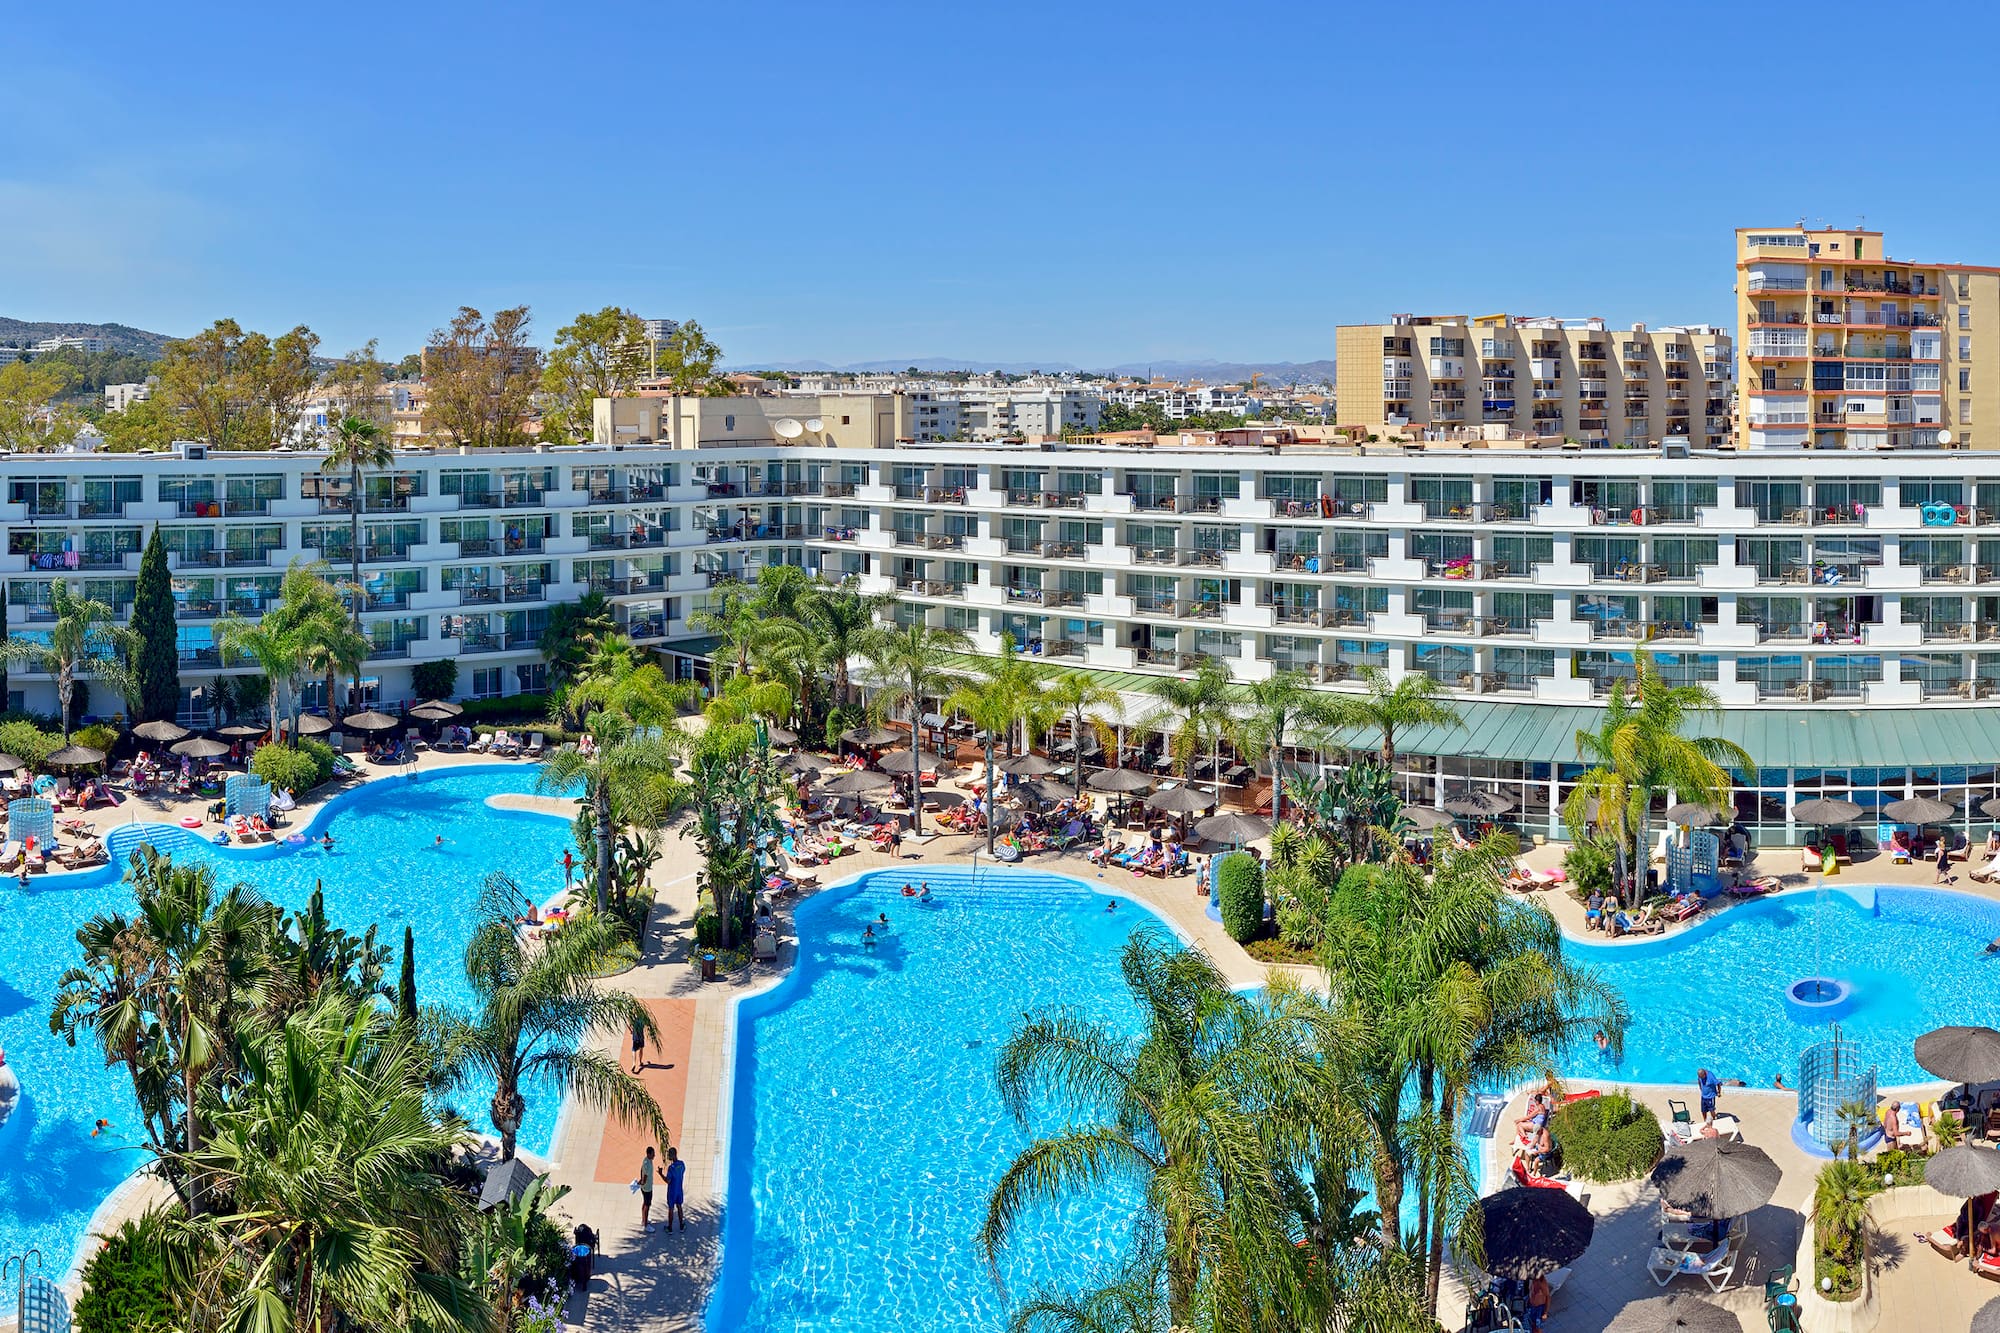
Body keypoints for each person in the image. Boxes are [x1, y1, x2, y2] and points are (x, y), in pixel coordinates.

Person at [664, 1145, 687, 1232]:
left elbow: (668, 1181)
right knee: (679, 1206)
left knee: (671, 1209)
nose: (668, 1156)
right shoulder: (681, 1164)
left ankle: (670, 1228)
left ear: (673, 1155)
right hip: (679, 1190)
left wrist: (661, 1174)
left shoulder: (671, 1168)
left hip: (672, 1191)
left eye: (669, 1155)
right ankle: (681, 1226)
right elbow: (682, 1172)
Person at [636, 1145, 656, 1232]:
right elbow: (645, 1177)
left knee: (644, 1203)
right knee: (647, 1205)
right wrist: (641, 1182)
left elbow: (641, 1170)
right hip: (647, 1188)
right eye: (653, 1154)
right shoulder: (647, 1164)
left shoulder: (646, 1160)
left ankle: (644, 1220)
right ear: (649, 1154)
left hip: (645, 1187)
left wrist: (641, 1181)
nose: (654, 1155)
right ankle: (646, 1225)